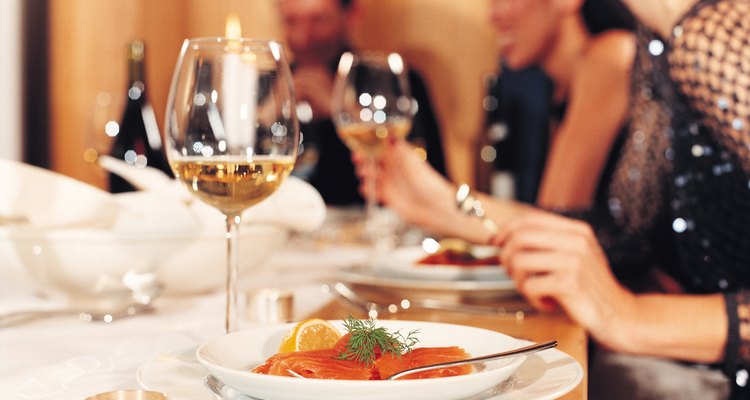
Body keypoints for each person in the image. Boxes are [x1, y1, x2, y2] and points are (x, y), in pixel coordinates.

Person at [492, 0, 750, 397]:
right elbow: (628, 234)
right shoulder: (657, 43)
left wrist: (631, 316)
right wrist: (451, 205)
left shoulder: (716, 33)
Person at [355, 0, 636, 244]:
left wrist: (440, 201)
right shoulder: (554, 88)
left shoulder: (610, 57)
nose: (493, 15)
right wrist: (434, 201)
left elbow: (554, 230)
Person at [277, 0, 445, 205]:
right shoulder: (273, 85)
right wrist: (271, 114)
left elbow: (434, 183)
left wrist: (339, 109)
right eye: (291, 21)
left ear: (351, 16)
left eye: (318, 20)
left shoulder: (393, 83)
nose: (303, 36)